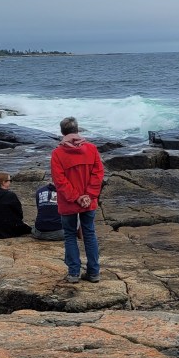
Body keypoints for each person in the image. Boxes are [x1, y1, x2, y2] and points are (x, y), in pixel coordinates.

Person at [50, 116, 105, 284]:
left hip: (69, 202)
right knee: (89, 233)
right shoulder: (91, 148)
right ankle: (94, 272)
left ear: (62, 132)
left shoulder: (58, 153)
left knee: (70, 235)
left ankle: (74, 273)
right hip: (88, 201)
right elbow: (98, 174)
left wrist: (76, 197)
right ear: (77, 130)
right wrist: (88, 195)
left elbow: (59, 181)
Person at [0, 172, 31, 238]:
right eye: (10, 180)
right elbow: (19, 213)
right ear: (4, 182)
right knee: (30, 229)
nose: (10, 182)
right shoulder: (10, 195)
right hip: (7, 230)